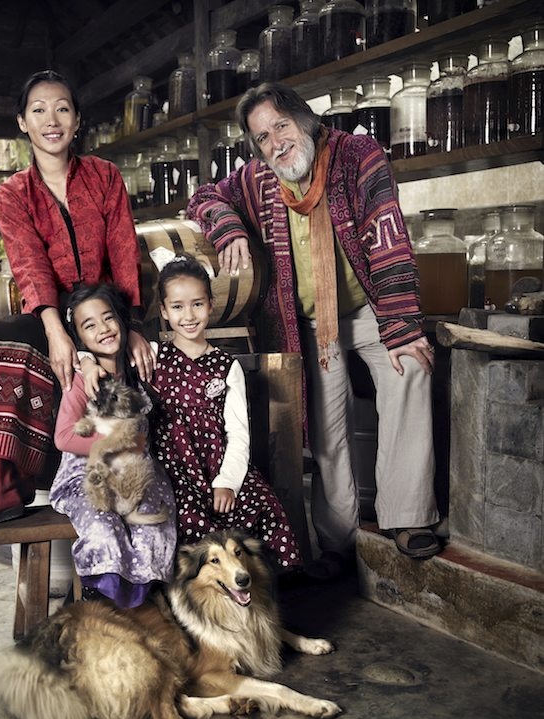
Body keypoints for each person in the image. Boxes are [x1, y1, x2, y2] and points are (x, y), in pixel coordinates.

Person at [187, 82, 441, 572]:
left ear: (304, 121)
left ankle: (407, 518)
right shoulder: (259, 181)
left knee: (411, 371)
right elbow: (204, 197)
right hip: (309, 319)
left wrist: (402, 326)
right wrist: (229, 227)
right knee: (326, 432)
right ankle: (337, 544)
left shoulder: (357, 155)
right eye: (261, 137)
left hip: (370, 306)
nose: (275, 142)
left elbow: (388, 234)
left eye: (281, 126)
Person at [0, 69, 155, 539]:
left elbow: (124, 252)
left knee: (128, 352)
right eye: (38, 110)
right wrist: (59, 332)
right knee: (4, 337)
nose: (51, 119)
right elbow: (29, 264)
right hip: (50, 311)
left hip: (105, 308)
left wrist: (133, 322)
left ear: (77, 120)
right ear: (23, 122)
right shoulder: (13, 192)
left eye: (62, 108)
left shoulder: (104, 176)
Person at [150, 254, 303, 572]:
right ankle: (193, 596)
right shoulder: (152, 357)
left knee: (261, 500)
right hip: (172, 467)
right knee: (188, 514)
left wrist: (228, 482)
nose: (188, 315)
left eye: (197, 304)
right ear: (164, 311)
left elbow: (237, 433)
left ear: (210, 304)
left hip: (217, 464)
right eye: (177, 307)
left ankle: (255, 591)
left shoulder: (226, 365)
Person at [49, 284, 177, 606]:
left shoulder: (138, 365)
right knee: (103, 528)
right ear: (79, 339)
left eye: (108, 318)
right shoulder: (81, 377)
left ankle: (145, 606)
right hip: (88, 473)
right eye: (89, 325)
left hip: (135, 472)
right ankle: (102, 603)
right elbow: (63, 436)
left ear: (121, 321)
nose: (103, 329)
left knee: (154, 522)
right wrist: (113, 442)